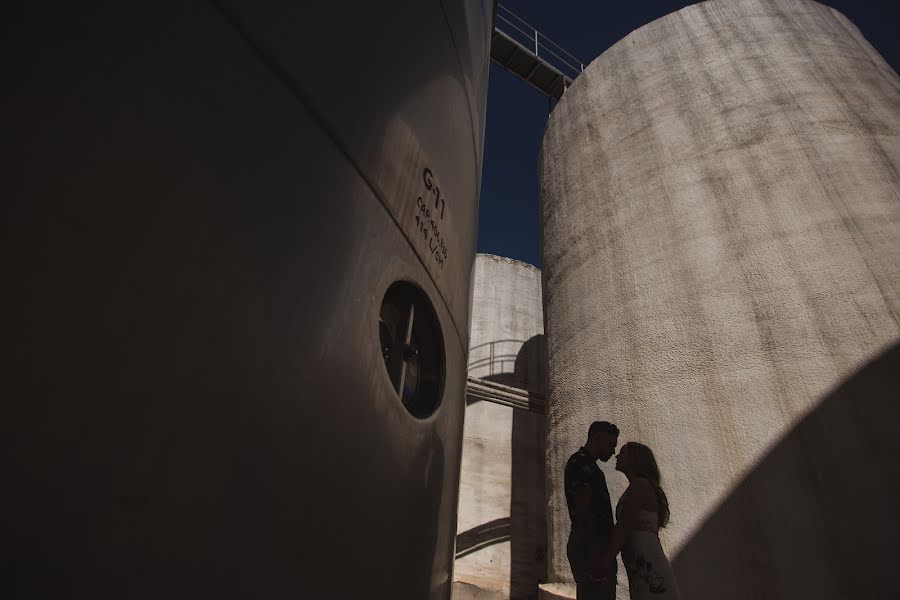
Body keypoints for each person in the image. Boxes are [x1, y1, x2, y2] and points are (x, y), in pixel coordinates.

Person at [597, 442, 680, 599]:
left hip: (649, 566)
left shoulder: (640, 485)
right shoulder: (636, 486)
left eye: (623, 453)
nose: (617, 456)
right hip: (641, 566)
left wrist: (605, 560)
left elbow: (624, 525)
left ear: (634, 459)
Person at [564, 421, 619, 599]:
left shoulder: (588, 464)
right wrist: (594, 550)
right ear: (598, 437)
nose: (613, 451)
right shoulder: (581, 463)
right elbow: (583, 508)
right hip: (590, 544)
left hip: (592, 543)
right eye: (610, 444)